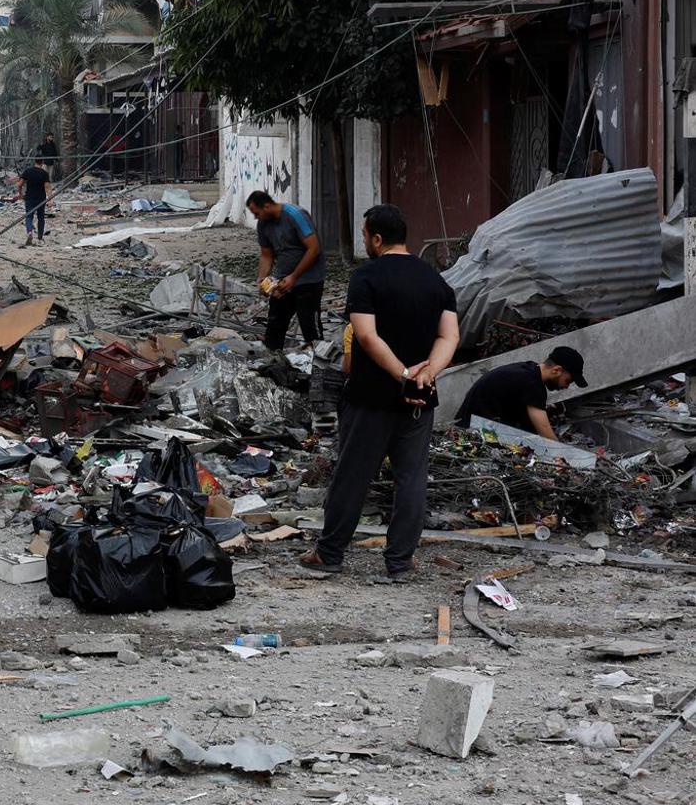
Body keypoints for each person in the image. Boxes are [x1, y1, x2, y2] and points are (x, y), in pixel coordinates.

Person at [301, 204, 459, 583]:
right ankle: (400, 563)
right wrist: (426, 374)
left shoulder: (366, 277)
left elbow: (368, 338)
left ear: (375, 238)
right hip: (421, 400)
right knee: (412, 479)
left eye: (365, 236)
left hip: (372, 397)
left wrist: (403, 374)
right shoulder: (437, 281)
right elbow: (449, 336)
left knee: (353, 476)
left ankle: (329, 554)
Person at [247, 191, 326, 352]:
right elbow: (266, 254)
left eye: (257, 213)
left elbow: (313, 248)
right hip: (282, 280)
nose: (256, 217)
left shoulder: (295, 215)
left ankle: (318, 365)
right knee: (275, 324)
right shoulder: (263, 224)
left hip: (309, 281)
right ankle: (273, 363)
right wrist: (262, 279)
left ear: (267, 206)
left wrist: (294, 277)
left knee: (310, 327)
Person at [454, 347, 586, 440]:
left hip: (469, 423)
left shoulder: (528, 370)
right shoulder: (532, 384)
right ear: (556, 370)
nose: (566, 386)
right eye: (568, 381)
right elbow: (544, 431)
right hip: (471, 430)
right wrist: (564, 455)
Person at [18, 158, 51, 246]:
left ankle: (29, 232)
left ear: (35, 161)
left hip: (29, 198)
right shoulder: (44, 173)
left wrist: (20, 194)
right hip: (41, 198)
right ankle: (40, 238)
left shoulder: (28, 171)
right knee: (41, 218)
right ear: (42, 162)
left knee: (29, 216)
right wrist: (50, 199)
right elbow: (47, 187)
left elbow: (20, 184)